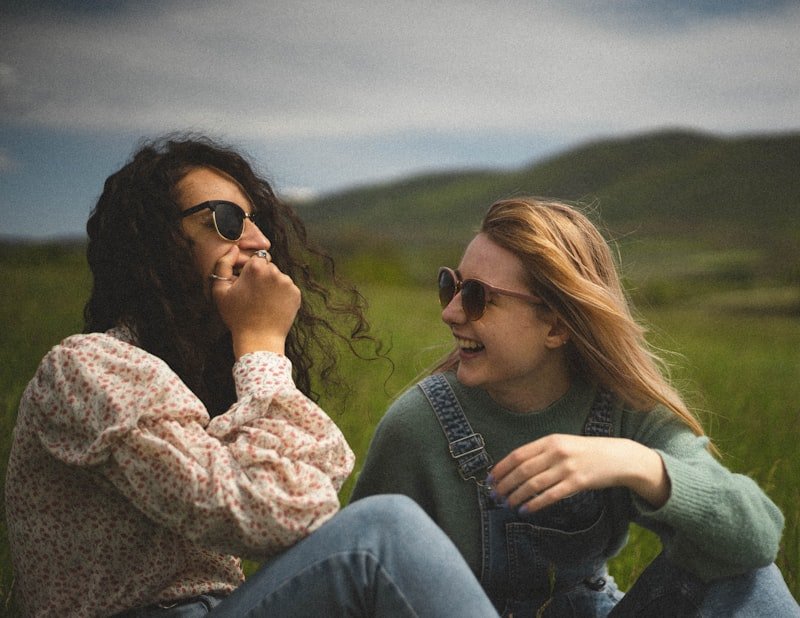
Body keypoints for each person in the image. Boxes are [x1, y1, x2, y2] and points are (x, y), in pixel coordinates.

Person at [4, 135, 499, 617]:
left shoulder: (199, 375)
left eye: (256, 221)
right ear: (155, 241)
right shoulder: (89, 368)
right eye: (227, 220)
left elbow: (319, 481)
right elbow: (284, 511)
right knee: (382, 534)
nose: (260, 241)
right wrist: (261, 341)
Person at [351, 197, 800, 616]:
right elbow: (359, 580)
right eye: (450, 286)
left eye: (477, 298)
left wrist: (639, 464)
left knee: (746, 575)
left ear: (556, 326)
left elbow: (757, 538)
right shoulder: (418, 425)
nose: (450, 312)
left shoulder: (624, 409)